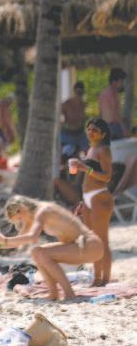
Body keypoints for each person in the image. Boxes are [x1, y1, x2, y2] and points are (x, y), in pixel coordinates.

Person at [0, 196, 103, 300]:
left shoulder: (44, 210)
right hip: (80, 247)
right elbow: (19, 243)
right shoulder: (31, 217)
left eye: (19, 218)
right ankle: (54, 293)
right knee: (36, 252)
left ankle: (69, 293)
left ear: (22, 208)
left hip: (89, 245)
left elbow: (32, 238)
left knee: (42, 254)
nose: (21, 222)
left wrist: (4, 240)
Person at [74, 119, 114, 286]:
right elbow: (88, 177)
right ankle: (97, 278)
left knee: (102, 241)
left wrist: (85, 168)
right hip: (88, 198)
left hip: (100, 197)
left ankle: (104, 279)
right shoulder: (91, 149)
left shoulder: (104, 150)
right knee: (93, 241)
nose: (90, 132)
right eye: (88, 129)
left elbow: (107, 177)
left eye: (95, 130)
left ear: (103, 134)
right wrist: (83, 200)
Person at [98, 68, 127, 140]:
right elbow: (115, 115)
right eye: (121, 81)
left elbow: (100, 114)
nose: (122, 84)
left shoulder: (103, 94)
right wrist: (123, 128)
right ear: (114, 82)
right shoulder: (112, 95)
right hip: (113, 128)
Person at [61, 81, 88, 154]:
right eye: (78, 92)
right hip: (68, 133)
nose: (79, 94)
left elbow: (83, 120)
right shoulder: (66, 103)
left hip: (80, 133)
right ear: (75, 91)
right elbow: (59, 116)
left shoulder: (83, 104)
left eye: (81, 92)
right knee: (65, 154)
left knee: (87, 152)